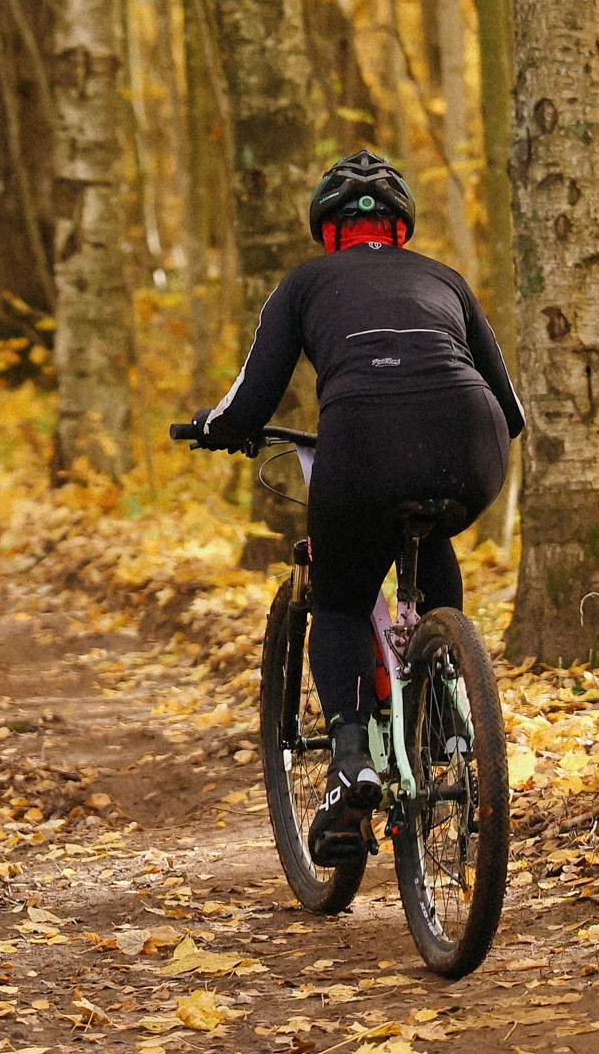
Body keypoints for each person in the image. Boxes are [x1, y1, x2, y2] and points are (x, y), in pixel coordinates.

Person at [187, 149, 522, 865]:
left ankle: (352, 764)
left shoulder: (306, 281)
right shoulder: (447, 280)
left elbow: (250, 399)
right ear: (400, 229)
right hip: (473, 441)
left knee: (338, 599)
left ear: (327, 229)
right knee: (431, 536)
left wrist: (216, 429)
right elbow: (512, 406)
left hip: (362, 442)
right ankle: (449, 716)